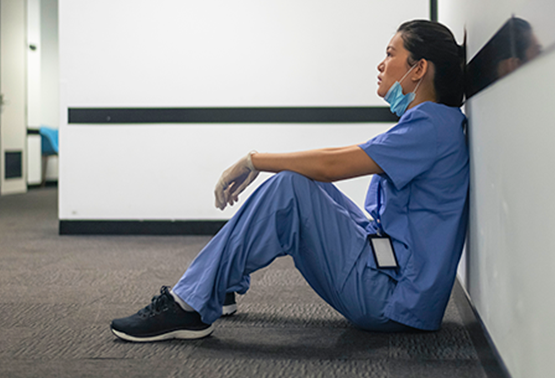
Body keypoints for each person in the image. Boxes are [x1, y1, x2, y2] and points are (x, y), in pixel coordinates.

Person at [110, 20, 469, 342]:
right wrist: (264, 162)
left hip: (392, 297)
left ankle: (187, 306)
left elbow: (332, 164)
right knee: (302, 182)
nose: (380, 64)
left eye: (390, 54)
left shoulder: (431, 127)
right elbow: (336, 157)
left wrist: (254, 160)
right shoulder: (433, 122)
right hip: (392, 268)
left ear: (419, 68)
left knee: (291, 187)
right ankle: (216, 287)